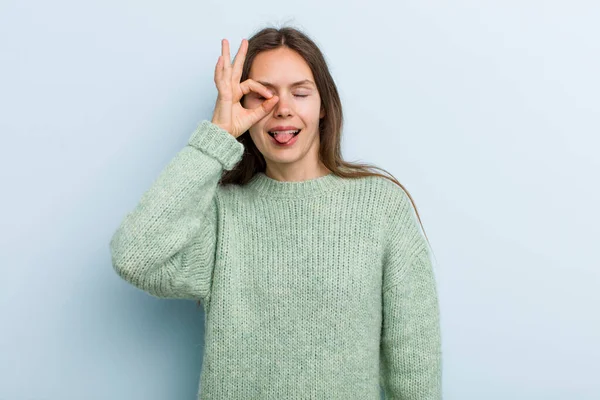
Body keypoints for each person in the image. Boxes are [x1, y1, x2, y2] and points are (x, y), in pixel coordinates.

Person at [109, 26, 442, 400]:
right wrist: (218, 135)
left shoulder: (380, 208)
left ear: (324, 109)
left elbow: (414, 362)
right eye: (262, 97)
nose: (282, 108)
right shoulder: (220, 213)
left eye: (300, 93)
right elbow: (133, 257)